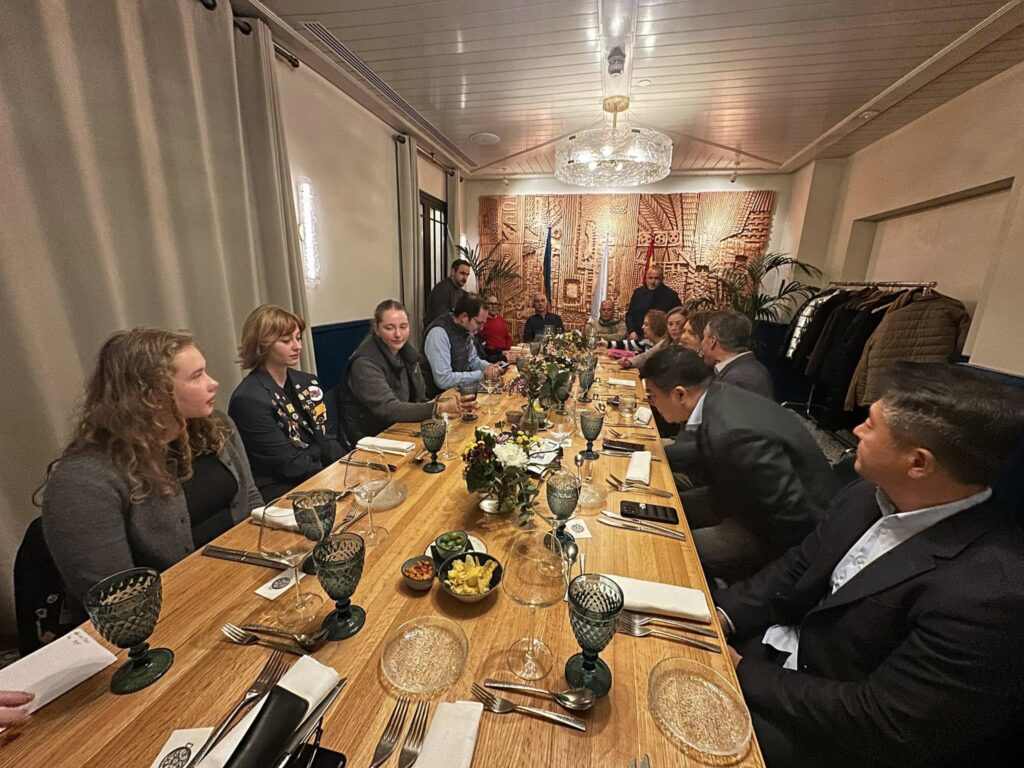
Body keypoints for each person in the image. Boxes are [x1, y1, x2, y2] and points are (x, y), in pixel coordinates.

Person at [713, 363, 1024, 768]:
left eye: (871, 424)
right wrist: (720, 616)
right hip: (778, 655)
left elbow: (882, 718)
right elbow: (796, 568)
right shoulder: (865, 494)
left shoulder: (992, 593)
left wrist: (741, 671)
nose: (857, 430)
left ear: (918, 463)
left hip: (831, 734)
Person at [41, 328, 262, 619]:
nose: (213, 383)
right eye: (197, 376)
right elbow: (119, 604)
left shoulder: (216, 427)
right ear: (153, 395)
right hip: (172, 614)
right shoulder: (83, 480)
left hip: (240, 584)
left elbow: (251, 500)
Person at [644, 345, 840, 581]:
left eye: (652, 396)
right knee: (669, 506)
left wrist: (777, 570)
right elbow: (704, 450)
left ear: (680, 394)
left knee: (674, 547)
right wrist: (651, 454)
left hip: (790, 529)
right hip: (749, 496)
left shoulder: (733, 431)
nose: (652, 403)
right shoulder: (719, 395)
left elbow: (791, 512)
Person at [229, 305, 346, 502]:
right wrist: (335, 478)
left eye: (298, 338)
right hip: (281, 489)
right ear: (262, 345)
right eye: (286, 340)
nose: (297, 346)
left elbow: (327, 438)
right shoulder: (248, 400)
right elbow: (288, 464)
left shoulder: (307, 381)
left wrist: (348, 467)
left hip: (318, 473)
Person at [338, 299, 463, 443]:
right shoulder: (364, 363)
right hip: (371, 438)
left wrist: (447, 404)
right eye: (389, 328)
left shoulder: (406, 353)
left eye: (403, 327)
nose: (398, 334)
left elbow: (420, 398)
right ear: (377, 329)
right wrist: (438, 408)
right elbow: (389, 409)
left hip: (401, 428)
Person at [422, 292, 503, 397]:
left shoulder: (465, 329)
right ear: (464, 317)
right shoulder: (439, 333)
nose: (481, 328)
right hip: (439, 399)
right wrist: (482, 374)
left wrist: (489, 367)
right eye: (479, 323)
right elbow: (443, 379)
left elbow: (472, 360)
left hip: (460, 393)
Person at [701, 310, 774, 399]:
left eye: (703, 337)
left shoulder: (737, 380)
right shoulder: (750, 368)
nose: (702, 343)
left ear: (712, 341)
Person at [625, 264, 680, 339]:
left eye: (656, 278)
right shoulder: (638, 293)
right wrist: (631, 331)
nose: (653, 282)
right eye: (650, 278)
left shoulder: (671, 296)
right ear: (646, 278)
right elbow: (630, 315)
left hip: (661, 338)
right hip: (638, 336)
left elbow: (678, 317)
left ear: (662, 279)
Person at [424, 258, 471, 326]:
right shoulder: (442, 290)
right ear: (452, 272)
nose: (465, 278)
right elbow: (440, 319)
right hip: (438, 330)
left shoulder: (461, 291)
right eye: (462, 273)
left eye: (467, 275)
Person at [477, 294, 513, 363]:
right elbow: (484, 349)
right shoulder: (481, 322)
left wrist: (509, 351)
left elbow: (507, 337)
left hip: (505, 354)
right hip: (493, 357)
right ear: (485, 305)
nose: (493, 306)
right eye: (490, 304)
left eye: (495, 304)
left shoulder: (501, 320)